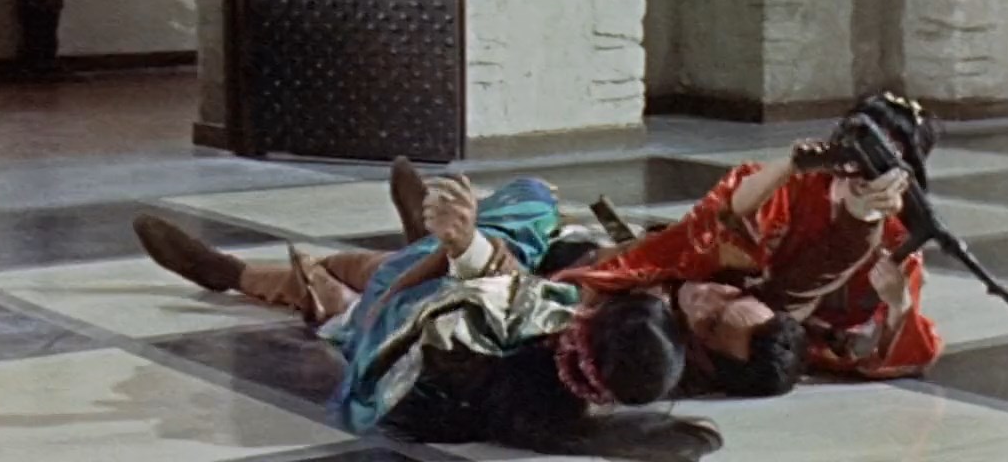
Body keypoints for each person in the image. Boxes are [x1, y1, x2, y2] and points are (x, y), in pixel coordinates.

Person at [140, 174, 721, 460]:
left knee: (360, 280)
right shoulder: (568, 396)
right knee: (389, 275)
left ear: (589, 322)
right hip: (412, 331)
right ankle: (402, 248)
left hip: (392, 333)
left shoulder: (517, 329)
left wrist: (457, 246)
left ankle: (230, 273)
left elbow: (491, 283)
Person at [135, 161, 807, 399]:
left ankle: (232, 273)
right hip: (537, 251)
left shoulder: (631, 346)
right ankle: (425, 239)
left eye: (713, 321)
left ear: (700, 358)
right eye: (733, 297)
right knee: (529, 198)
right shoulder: (715, 279)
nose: (712, 295)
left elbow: (523, 301)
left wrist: (468, 250)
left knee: (371, 278)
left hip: (494, 291)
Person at [555, 91, 946, 379]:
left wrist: (899, 304)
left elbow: (898, 351)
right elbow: (719, 221)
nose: (865, 170)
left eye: (885, 160)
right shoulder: (791, 186)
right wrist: (791, 165)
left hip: (774, 332)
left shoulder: (896, 241)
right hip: (716, 288)